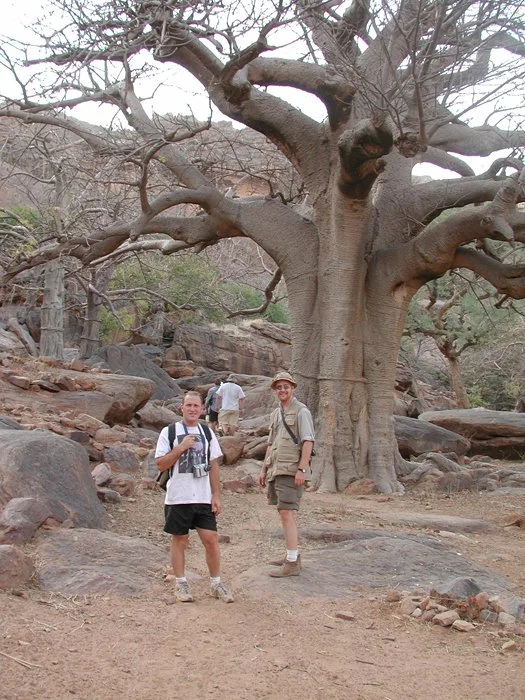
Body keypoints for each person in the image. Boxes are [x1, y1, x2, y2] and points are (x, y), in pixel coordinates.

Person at [155, 391, 234, 603]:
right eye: (188, 405)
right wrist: (180, 448)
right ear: (181, 407)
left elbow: (213, 464)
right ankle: (181, 583)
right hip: (178, 496)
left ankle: (216, 583)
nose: (192, 409)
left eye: (195, 406)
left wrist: (216, 495)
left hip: (202, 496)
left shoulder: (207, 432)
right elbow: (160, 464)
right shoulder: (169, 432)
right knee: (180, 540)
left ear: (202, 409)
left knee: (211, 539)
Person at [259, 371, 315, 577]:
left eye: (286, 387)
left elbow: (308, 441)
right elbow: (271, 442)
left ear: (292, 388)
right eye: (279, 387)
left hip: (291, 469)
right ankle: (292, 555)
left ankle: (292, 562)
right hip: (277, 468)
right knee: (283, 512)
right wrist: (264, 468)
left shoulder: (301, 411)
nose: (282, 390)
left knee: (286, 512)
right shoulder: (276, 413)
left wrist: (302, 469)